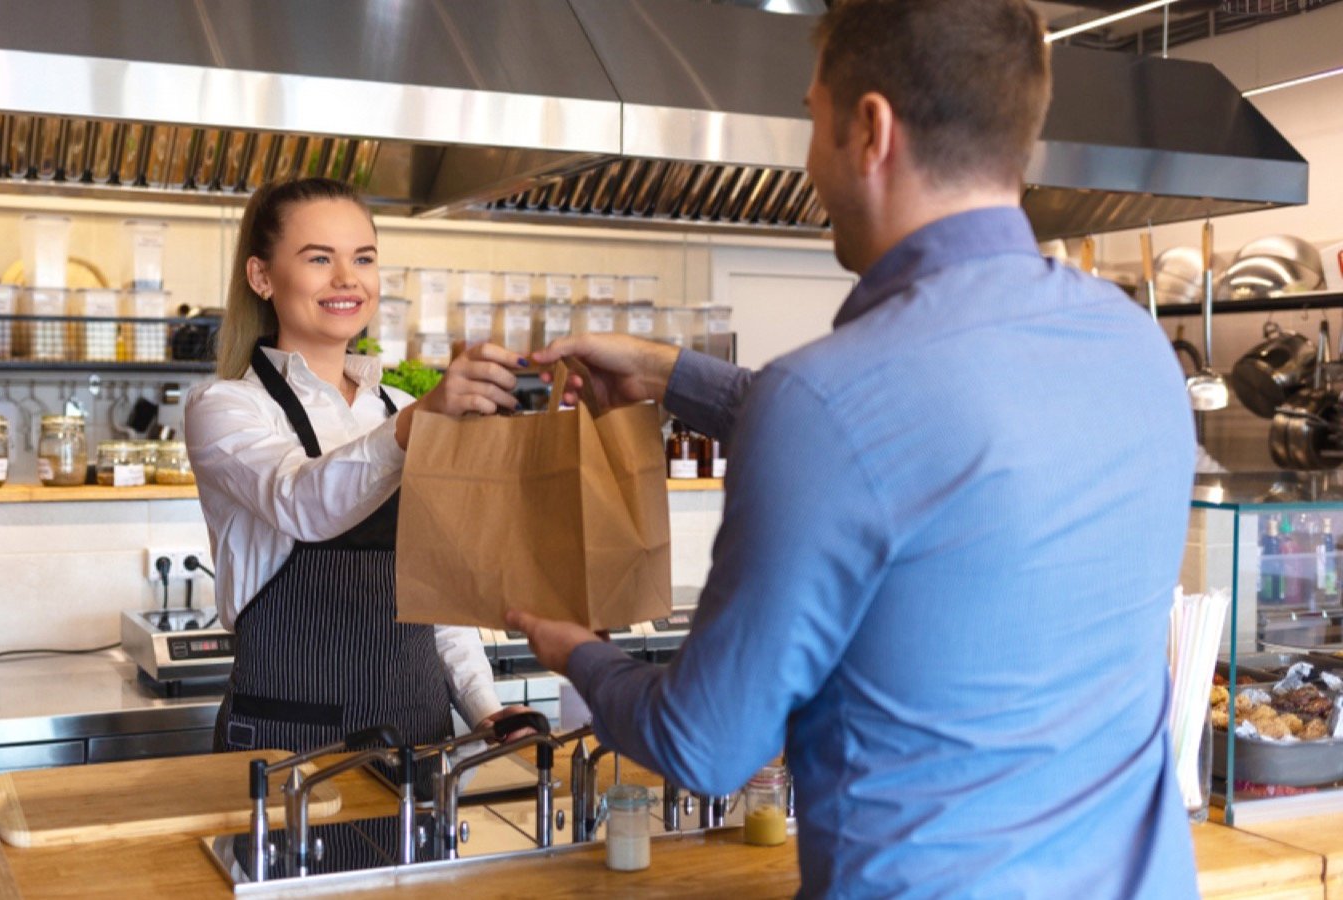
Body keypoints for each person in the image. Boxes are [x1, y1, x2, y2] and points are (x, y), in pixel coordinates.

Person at [511, 0, 1200, 895]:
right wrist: (673, 374)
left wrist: (573, 651)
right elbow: (917, 447)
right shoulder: (1135, 345)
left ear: (869, 129)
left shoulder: (826, 402)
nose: (808, 163)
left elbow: (705, 744)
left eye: (811, 120)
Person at [185, 177, 532, 758]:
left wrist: (485, 707)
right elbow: (303, 502)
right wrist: (423, 423)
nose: (347, 279)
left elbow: (437, 595)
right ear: (262, 277)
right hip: (287, 748)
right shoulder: (224, 408)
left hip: (420, 741)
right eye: (319, 258)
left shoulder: (397, 407)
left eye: (363, 258)